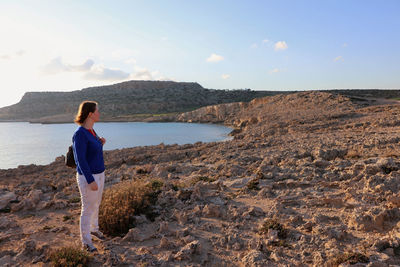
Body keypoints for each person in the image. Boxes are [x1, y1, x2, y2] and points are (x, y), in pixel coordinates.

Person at [72, 101, 106, 252]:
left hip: (100, 173)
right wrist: (90, 180)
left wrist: (101, 144)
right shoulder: (79, 134)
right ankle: (86, 242)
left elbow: (91, 152)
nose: (99, 113)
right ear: (90, 114)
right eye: (97, 111)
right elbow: (80, 160)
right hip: (88, 177)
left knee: (96, 204)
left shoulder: (92, 131)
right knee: (87, 208)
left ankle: (94, 229)